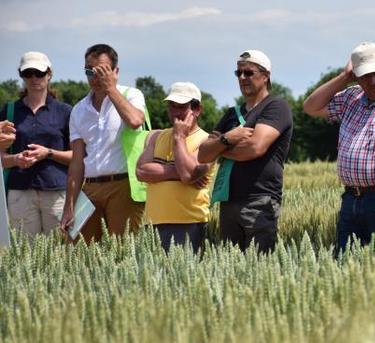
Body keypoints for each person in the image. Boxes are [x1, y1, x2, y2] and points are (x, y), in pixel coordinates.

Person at [303, 42, 375, 253]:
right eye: (364, 76)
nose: (372, 81)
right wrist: (343, 78)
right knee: (345, 262)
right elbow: (310, 107)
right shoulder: (351, 97)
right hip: (350, 198)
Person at [197, 50, 293, 253]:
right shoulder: (231, 114)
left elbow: (255, 147)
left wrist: (219, 148)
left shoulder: (276, 107)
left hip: (259, 201)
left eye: (248, 73)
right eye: (238, 73)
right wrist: (229, 138)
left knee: (259, 267)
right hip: (228, 201)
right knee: (231, 269)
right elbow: (203, 154)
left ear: (265, 75)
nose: (242, 78)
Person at [61, 44, 146, 241]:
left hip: (123, 186)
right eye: (89, 71)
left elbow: (135, 121)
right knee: (80, 253)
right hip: (89, 189)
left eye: (102, 71)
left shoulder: (131, 95)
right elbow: (76, 163)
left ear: (116, 71)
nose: (95, 77)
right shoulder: (79, 110)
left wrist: (111, 90)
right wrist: (69, 206)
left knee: (122, 253)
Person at [136, 82, 215, 253]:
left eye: (181, 107)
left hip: (189, 223)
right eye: (172, 106)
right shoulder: (155, 136)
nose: (175, 112)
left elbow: (187, 174)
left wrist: (179, 138)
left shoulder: (208, 141)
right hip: (153, 223)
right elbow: (141, 172)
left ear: (197, 109)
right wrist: (178, 170)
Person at [0, 52, 72, 236]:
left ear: (49, 74)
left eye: (39, 73)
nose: (34, 78)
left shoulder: (66, 112)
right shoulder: (9, 111)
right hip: (20, 192)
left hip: (56, 192)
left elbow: (78, 157)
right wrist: (16, 159)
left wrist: (48, 153)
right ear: (21, 75)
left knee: (59, 252)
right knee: (25, 255)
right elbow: (1, 159)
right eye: (28, 73)